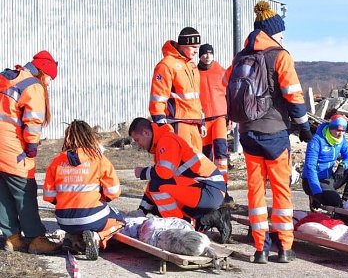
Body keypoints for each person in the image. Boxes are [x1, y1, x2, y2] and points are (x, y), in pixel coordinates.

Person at [225, 1, 312, 264]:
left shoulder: (241, 57)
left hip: (248, 133)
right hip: (275, 133)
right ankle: (284, 248)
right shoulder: (280, 56)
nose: (283, 38)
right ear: (272, 33)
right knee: (281, 191)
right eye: (281, 34)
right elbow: (294, 95)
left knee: (255, 191)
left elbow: (227, 85)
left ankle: (260, 248)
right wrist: (304, 126)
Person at [128, 117, 232, 244]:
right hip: (205, 189)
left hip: (209, 189)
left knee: (158, 186)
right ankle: (200, 220)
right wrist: (141, 212)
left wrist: (142, 172)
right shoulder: (163, 141)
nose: (138, 145)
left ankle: (181, 229)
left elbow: (164, 173)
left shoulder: (167, 140)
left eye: (137, 140)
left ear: (146, 132)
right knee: (157, 192)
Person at [0, 51, 62, 254]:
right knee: (24, 190)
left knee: (3, 194)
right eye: (49, 79)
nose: (48, 84)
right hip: (12, 146)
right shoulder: (32, 85)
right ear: (43, 73)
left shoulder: (7, 77)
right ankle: (36, 239)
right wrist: (32, 147)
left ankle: (13, 238)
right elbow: (33, 121)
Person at [43, 120, 125, 260]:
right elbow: (114, 191)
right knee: (120, 220)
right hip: (91, 216)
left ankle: (73, 238)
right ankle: (98, 237)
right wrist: (101, 198)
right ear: (90, 136)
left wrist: (65, 201)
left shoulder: (56, 162)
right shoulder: (98, 159)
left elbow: (49, 195)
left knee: (78, 223)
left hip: (64, 220)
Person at [149, 27, 206, 151]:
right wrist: (161, 124)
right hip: (177, 123)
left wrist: (201, 121)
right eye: (193, 47)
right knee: (181, 163)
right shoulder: (166, 65)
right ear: (183, 45)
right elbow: (158, 96)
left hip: (193, 123)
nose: (197, 51)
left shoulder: (191, 66)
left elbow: (195, 98)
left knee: (197, 164)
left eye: (198, 47)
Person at [198, 43, 235, 206]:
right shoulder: (193, 73)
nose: (207, 56)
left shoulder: (221, 72)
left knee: (221, 155)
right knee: (203, 156)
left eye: (210, 53)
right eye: (204, 53)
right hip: (203, 121)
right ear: (200, 55)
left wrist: (232, 117)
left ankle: (223, 189)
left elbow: (230, 95)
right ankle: (205, 188)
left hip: (220, 118)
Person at [302, 114, 348, 209]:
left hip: (329, 179)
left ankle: (347, 201)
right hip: (313, 181)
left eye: (343, 131)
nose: (340, 133)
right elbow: (310, 167)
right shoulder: (316, 140)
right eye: (338, 130)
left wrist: (343, 165)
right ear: (331, 128)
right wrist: (316, 192)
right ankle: (315, 198)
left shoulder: (341, 140)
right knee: (334, 202)